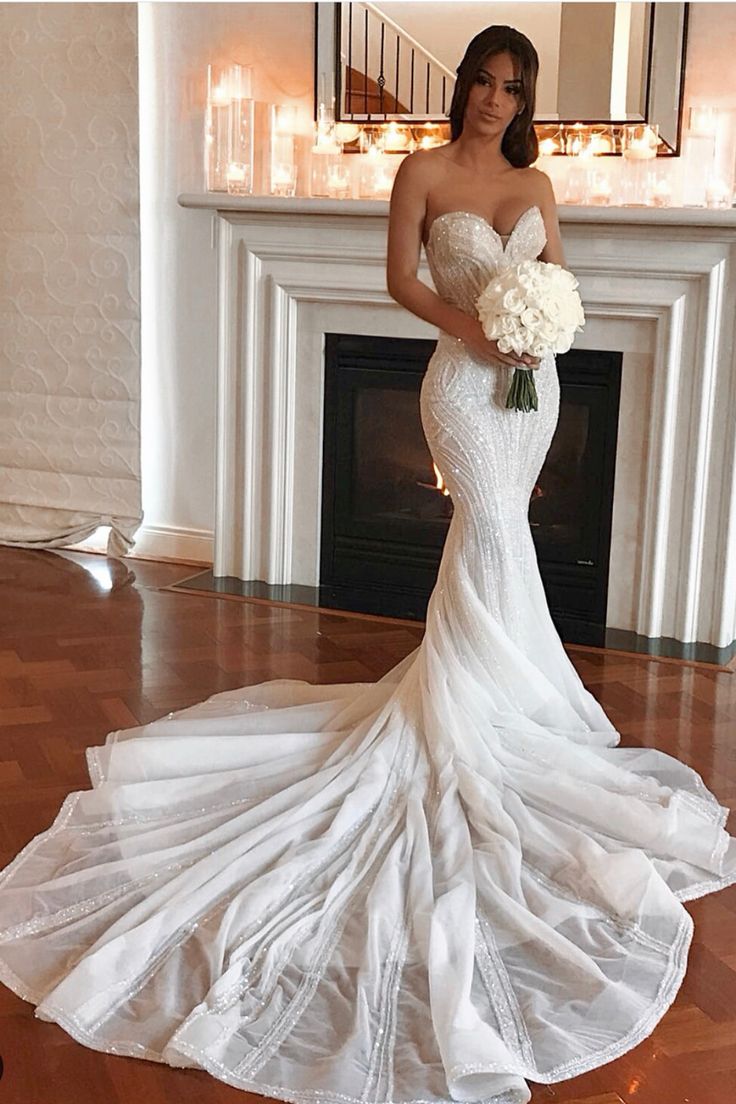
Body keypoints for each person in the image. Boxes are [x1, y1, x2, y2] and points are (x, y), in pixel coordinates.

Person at [0, 23, 734, 1104]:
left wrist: (541, 333)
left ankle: (506, 704)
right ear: (462, 88)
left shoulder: (537, 181)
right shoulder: (421, 170)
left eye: (511, 85)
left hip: (531, 393)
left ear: (526, 98)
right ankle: (485, 713)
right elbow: (398, 282)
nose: (493, 98)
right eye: (481, 82)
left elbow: (561, 285)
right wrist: (479, 333)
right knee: (487, 529)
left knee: (505, 542)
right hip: (460, 387)